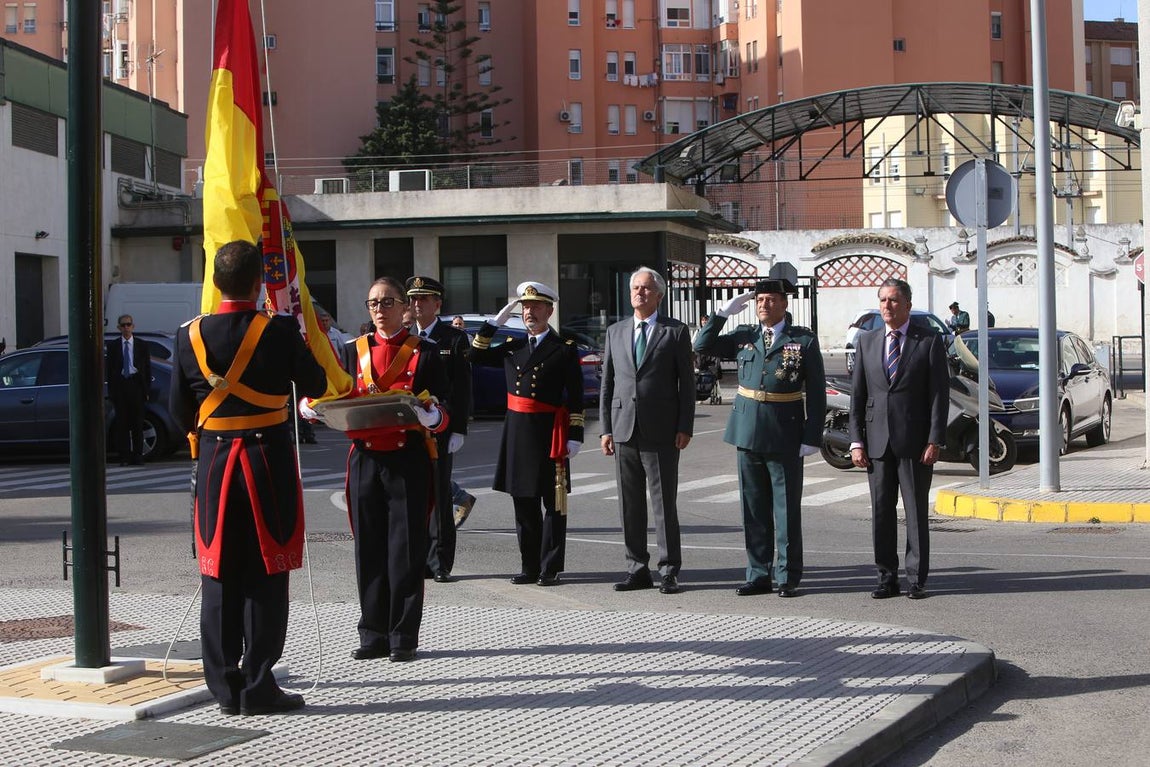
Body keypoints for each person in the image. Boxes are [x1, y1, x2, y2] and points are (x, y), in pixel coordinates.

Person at [170, 240, 326, 715]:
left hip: (217, 466)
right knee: (266, 572)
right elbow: (316, 384)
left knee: (219, 574)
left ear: (215, 283)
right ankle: (259, 685)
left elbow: (180, 414)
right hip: (265, 464)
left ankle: (225, 690)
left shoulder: (189, 334)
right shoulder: (276, 330)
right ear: (259, 281)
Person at [317, 277, 451, 663]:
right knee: (369, 548)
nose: (379, 309)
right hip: (365, 457)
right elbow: (333, 393)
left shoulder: (425, 352)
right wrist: (314, 407)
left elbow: (447, 407)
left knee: (405, 550)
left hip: (407, 457)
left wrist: (433, 416)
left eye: (387, 302)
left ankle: (403, 636)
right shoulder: (349, 352)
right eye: (373, 303)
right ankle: (371, 633)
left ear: (404, 309)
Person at [693, 279, 826, 598]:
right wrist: (723, 313)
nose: (764, 305)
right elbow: (701, 346)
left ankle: (788, 575)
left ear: (784, 304)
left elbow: (818, 393)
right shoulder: (745, 337)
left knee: (785, 509)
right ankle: (758, 573)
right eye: (760, 300)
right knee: (753, 508)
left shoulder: (803, 340)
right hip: (748, 430)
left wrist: (812, 436)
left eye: (770, 299)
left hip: (785, 432)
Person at [470, 281, 584, 586]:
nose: (529, 311)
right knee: (524, 504)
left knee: (553, 504)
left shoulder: (563, 349)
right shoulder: (513, 346)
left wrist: (575, 435)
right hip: (518, 434)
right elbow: (475, 355)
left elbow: (575, 396)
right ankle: (529, 566)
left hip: (549, 434)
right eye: (525, 306)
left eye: (535, 306)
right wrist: (495, 323)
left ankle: (550, 567)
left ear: (549, 310)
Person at [849, 277, 949, 600]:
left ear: (907, 304)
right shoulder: (867, 341)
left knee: (915, 511)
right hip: (877, 441)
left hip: (915, 442)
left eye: (893, 300)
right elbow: (858, 396)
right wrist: (856, 441)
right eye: (882, 301)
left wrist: (935, 439)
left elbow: (938, 395)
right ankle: (885, 576)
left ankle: (916, 578)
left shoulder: (928, 341)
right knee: (881, 510)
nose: (887, 306)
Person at [600, 267, 695, 595]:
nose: (639, 293)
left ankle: (669, 570)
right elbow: (608, 383)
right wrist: (605, 429)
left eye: (645, 288)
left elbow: (687, 383)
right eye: (635, 288)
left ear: (659, 295)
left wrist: (685, 426)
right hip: (625, 427)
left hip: (663, 430)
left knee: (663, 503)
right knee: (630, 504)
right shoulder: (615, 331)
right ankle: (636, 567)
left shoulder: (676, 332)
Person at [406, 276, 474, 583]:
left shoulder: (453, 339)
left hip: (442, 427)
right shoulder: (407, 337)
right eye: (414, 299)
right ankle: (420, 559)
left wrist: (458, 428)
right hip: (412, 429)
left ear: (438, 304)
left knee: (440, 494)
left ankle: (441, 562)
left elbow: (461, 388)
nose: (417, 304)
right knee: (416, 496)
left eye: (424, 299)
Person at [106, 313, 152, 465]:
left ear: (133, 326)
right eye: (123, 325)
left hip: (136, 385)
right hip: (121, 386)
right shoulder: (113, 346)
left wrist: (146, 391)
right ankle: (124, 456)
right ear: (119, 327)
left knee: (137, 424)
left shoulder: (142, 345)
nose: (126, 328)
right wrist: (111, 392)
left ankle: (138, 456)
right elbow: (109, 370)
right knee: (122, 424)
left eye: (129, 324)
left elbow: (147, 369)